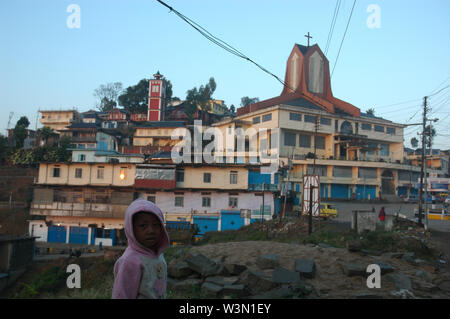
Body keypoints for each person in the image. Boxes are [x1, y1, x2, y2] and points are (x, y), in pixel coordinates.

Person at [112, 199, 170, 299]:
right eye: (143, 226)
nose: (151, 230)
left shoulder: (158, 254)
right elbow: (121, 295)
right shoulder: (130, 261)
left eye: (156, 225)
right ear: (131, 229)